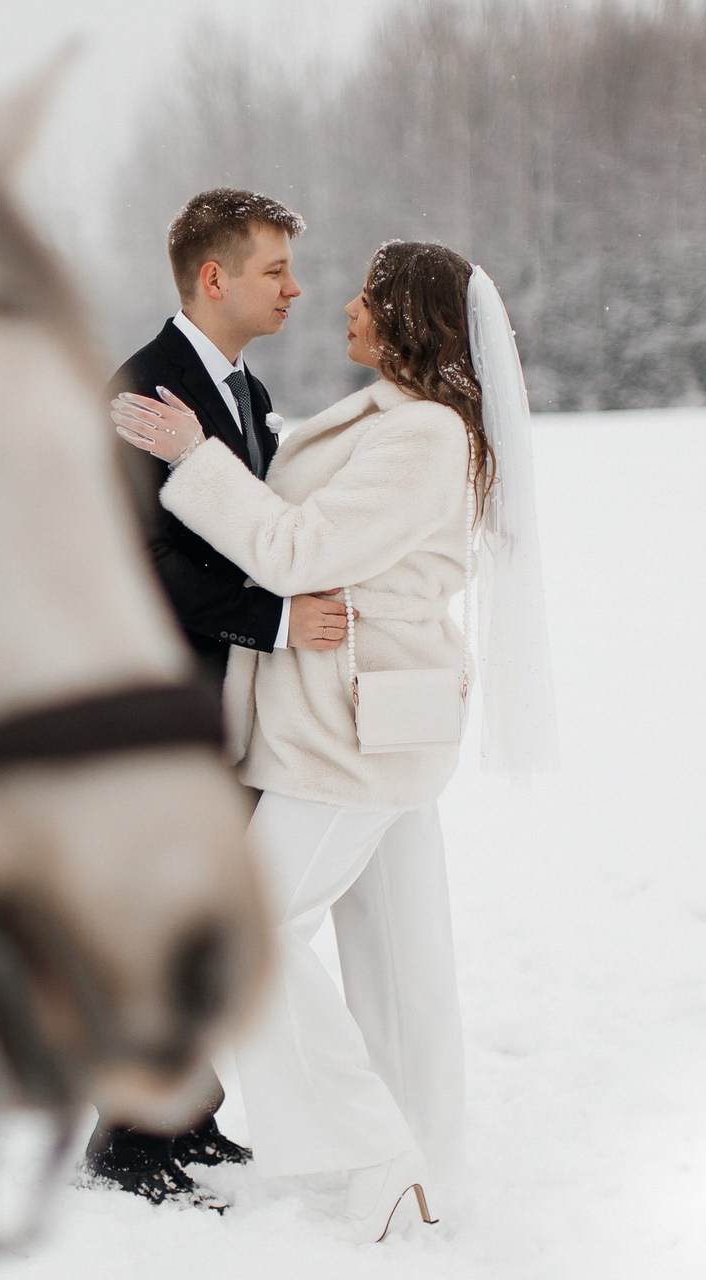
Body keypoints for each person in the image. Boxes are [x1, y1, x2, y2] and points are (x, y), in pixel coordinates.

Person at [114, 240, 555, 1241]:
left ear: (405, 318)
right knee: (398, 957)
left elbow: (296, 548)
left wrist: (193, 457)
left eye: (365, 295)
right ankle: (418, 1160)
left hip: (351, 731)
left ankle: (371, 1159)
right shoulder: (398, 418)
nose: (342, 305)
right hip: (375, 720)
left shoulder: (425, 436)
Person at [83, 188, 351, 1208]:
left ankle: (186, 1111)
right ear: (213, 277)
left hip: (221, 700)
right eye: (274, 269)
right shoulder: (141, 390)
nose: (294, 288)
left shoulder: (240, 386)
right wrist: (274, 620)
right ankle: (125, 1138)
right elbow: (133, 562)